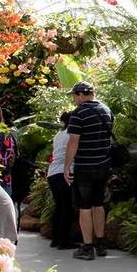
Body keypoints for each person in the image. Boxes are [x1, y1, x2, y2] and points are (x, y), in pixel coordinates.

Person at [63, 82, 113, 261]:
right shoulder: (106, 110)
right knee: (98, 204)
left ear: (80, 95)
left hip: (85, 166)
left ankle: (87, 247)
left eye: (74, 96)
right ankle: (100, 243)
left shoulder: (79, 113)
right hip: (104, 165)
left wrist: (67, 166)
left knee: (84, 206)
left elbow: (73, 142)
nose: (74, 100)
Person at [47, 111, 76, 249]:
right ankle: (64, 241)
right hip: (64, 173)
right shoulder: (72, 134)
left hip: (52, 173)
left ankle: (56, 239)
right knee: (67, 207)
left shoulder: (58, 134)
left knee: (59, 207)